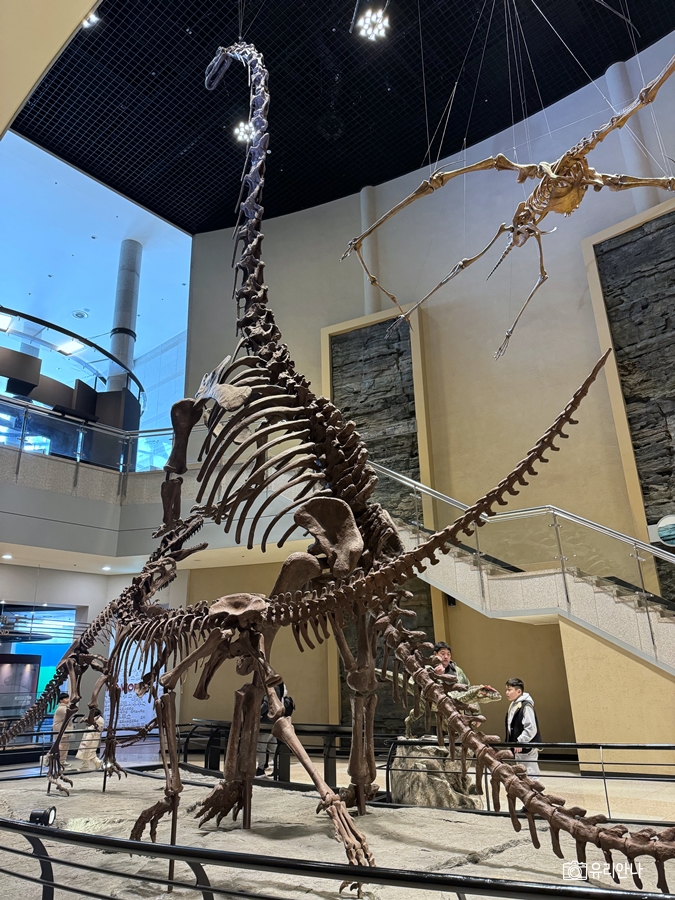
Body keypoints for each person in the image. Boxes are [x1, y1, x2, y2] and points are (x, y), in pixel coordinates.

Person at [256, 683, 294, 777]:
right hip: (274, 721)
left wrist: (256, 713)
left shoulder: (271, 687)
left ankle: (260, 769)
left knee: (261, 747)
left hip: (266, 722)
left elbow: (266, 703)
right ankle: (278, 768)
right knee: (273, 747)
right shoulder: (280, 687)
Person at [504, 678, 541, 776]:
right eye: (506, 690)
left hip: (526, 747)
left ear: (519, 691)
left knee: (530, 773)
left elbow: (531, 728)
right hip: (518, 747)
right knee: (522, 773)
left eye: (509, 690)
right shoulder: (514, 704)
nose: (507, 692)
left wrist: (520, 741)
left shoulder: (526, 706)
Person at [51, 693, 75, 768]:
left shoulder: (65, 707)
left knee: (64, 745)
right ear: (61, 700)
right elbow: (69, 713)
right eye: (65, 698)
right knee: (62, 746)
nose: (68, 700)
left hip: (63, 729)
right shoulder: (62, 708)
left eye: (68, 698)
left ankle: (61, 760)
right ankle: (59, 760)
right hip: (61, 729)